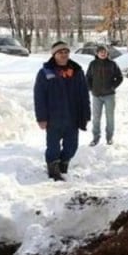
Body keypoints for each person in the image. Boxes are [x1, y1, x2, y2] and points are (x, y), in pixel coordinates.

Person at [33, 41, 91, 181]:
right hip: (53, 118)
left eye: (66, 52)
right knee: (53, 147)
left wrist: (86, 114)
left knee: (72, 146)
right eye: (60, 52)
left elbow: (84, 94)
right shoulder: (45, 73)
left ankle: (63, 165)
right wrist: (41, 118)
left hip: (73, 117)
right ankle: (53, 171)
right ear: (54, 55)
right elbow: (39, 96)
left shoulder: (77, 71)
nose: (64, 55)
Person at [85, 45, 123, 146]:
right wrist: (91, 88)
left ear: (107, 53)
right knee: (96, 117)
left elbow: (119, 77)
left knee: (110, 117)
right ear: (97, 54)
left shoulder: (112, 64)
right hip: (96, 95)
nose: (103, 53)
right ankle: (95, 138)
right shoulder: (93, 64)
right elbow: (87, 77)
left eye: (104, 52)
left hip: (109, 95)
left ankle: (109, 138)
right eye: (100, 52)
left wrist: (113, 87)